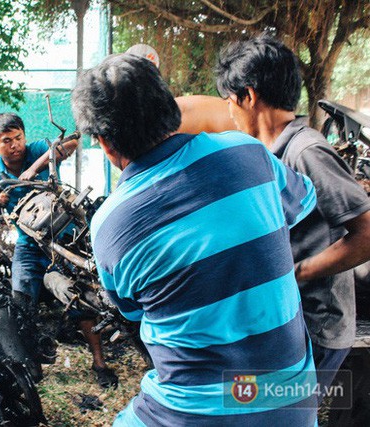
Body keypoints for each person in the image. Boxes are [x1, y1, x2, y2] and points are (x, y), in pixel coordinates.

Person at [72, 53, 319, 425]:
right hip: (292, 400)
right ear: (171, 108)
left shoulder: (109, 224)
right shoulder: (250, 153)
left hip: (194, 411)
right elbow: (304, 202)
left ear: (104, 143)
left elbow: (134, 311)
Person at [178, 35, 370, 392]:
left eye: (230, 102)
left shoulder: (306, 151)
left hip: (317, 326)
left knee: (267, 410)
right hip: (289, 320)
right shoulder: (268, 152)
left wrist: (298, 272)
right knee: (247, 403)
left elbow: (367, 234)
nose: (230, 113)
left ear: (249, 97)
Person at [0, 113, 119, 388]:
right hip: (29, 245)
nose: (15, 145)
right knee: (20, 302)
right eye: (7, 141)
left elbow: (71, 143)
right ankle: (30, 363)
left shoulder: (36, 150)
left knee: (80, 298)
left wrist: (36, 168)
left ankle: (99, 363)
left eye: (18, 137)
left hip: (64, 238)